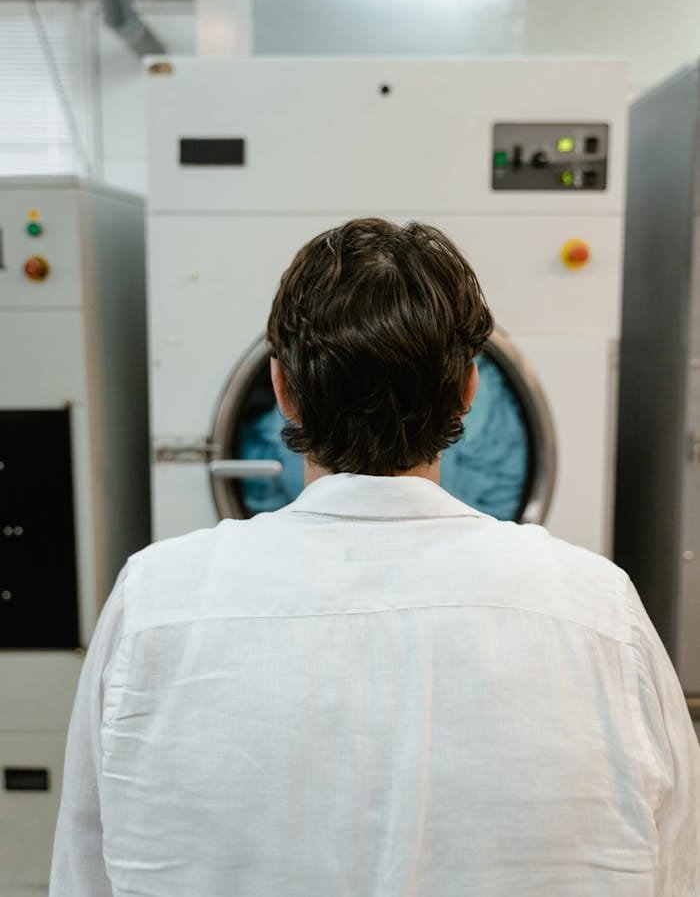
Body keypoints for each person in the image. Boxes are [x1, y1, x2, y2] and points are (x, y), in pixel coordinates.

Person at [50, 218, 699, 897]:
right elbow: (678, 871)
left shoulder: (157, 599)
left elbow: (84, 872)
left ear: (281, 387)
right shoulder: (598, 608)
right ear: (468, 391)